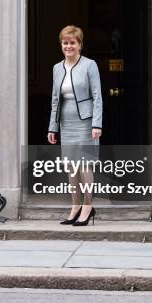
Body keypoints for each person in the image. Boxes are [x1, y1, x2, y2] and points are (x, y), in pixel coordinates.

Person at [47, 25, 102, 226]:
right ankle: (75, 206)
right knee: (71, 168)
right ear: (61, 45)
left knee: (85, 166)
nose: (68, 46)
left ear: (80, 45)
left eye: (72, 42)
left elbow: (97, 96)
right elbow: (55, 99)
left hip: (86, 123)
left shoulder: (89, 65)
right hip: (66, 123)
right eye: (65, 42)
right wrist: (52, 127)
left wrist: (97, 124)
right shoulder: (57, 68)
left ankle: (88, 207)